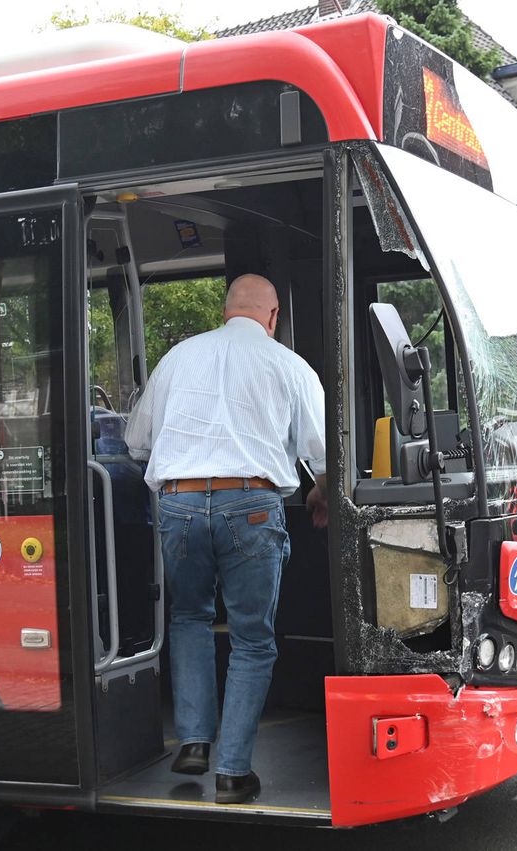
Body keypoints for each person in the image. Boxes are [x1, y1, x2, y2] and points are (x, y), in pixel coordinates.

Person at [124, 273, 327, 805]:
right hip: (253, 506)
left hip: (180, 503)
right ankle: (233, 773)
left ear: (225, 311)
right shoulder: (288, 364)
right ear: (273, 317)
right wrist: (319, 495)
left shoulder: (179, 358)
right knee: (252, 640)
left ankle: (193, 739)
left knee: (189, 618)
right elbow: (327, 453)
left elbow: (138, 442)